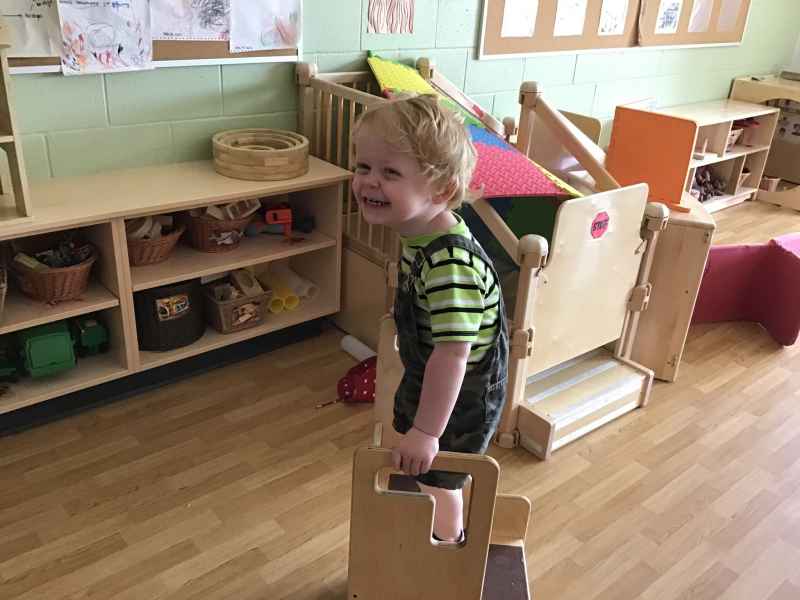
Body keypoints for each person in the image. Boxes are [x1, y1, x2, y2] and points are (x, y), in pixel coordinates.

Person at [351, 95, 509, 543]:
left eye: (390, 173)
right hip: (434, 374)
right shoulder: (420, 231)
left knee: (440, 477)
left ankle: (444, 554)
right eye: (364, 167)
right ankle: (426, 520)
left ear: (439, 191)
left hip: (464, 390)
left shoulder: (447, 264)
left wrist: (427, 432)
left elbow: (454, 355)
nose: (369, 182)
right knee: (418, 459)